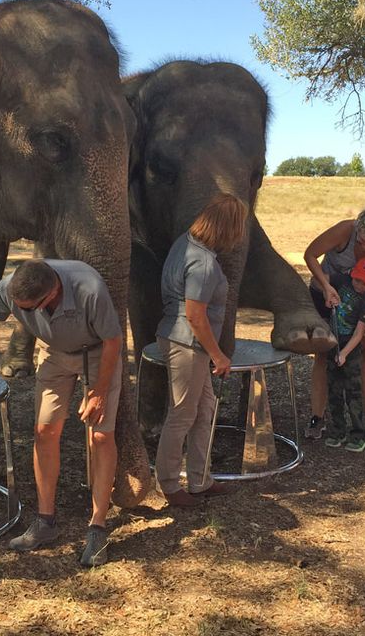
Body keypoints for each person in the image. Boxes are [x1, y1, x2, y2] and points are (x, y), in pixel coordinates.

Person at [0, 258, 123, 567]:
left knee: (100, 436)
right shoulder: (10, 288)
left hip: (97, 353)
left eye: (30, 310)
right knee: (44, 431)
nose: (24, 314)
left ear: (53, 293)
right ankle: (46, 521)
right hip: (54, 354)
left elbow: (113, 341)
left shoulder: (89, 288)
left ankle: (98, 526)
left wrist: (99, 393)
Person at [154, 193, 249, 507]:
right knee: (182, 414)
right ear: (228, 228)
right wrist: (218, 355)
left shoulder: (186, 243)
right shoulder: (204, 263)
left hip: (184, 340)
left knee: (204, 409)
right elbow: (195, 315)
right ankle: (169, 484)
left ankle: (200, 479)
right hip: (187, 344)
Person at [304, 201, 365, 443]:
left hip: (361, 301)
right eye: (362, 240)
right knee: (324, 352)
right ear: (359, 227)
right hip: (327, 295)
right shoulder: (345, 230)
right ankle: (317, 417)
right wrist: (326, 285)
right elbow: (310, 254)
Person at [324, 257, 365, 453]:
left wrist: (344, 353)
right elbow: (322, 280)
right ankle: (338, 431)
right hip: (333, 343)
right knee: (334, 391)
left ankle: (359, 434)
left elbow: (359, 333)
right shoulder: (341, 281)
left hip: (350, 349)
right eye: (357, 280)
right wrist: (327, 294)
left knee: (353, 392)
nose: (359, 285)